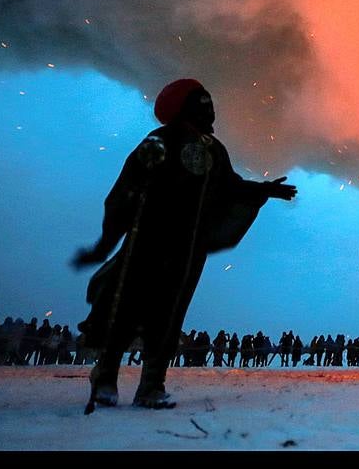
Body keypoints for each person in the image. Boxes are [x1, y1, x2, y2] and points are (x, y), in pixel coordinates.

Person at [71, 78, 296, 411]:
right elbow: (126, 189)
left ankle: (152, 384)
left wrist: (264, 190)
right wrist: (107, 241)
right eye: (202, 102)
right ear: (183, 107)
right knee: (126, 306)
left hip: (188, 250)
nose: (211, 108)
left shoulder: (214, 151)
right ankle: (105, 377)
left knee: (170, 314)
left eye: (209, 101)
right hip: (147, 242)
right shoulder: (158, 141)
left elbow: (229, 187)